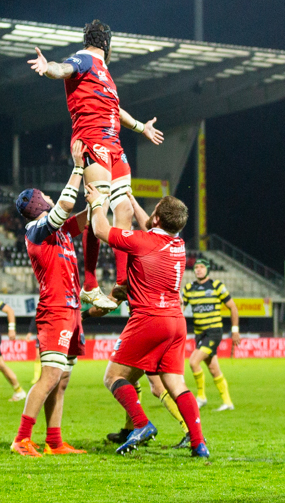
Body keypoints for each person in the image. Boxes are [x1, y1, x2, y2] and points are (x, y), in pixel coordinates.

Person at [28, 20, 165, 311]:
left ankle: (121, 281)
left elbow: (114, 108)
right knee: (97, 208)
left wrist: (141, 127)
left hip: (114, 145)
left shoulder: (104, 73)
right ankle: (89, 284)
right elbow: (63, 69)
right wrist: (47, 67)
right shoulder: (85, 59)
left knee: (125, 208)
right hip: (92, 139)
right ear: (107, 43)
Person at [86, 186, 209, 458]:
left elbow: (100, 230)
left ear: (157, 218)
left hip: (149, 319)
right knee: (176, 384)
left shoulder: (141, 242)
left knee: (113, 377)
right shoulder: (178, 245)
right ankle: (198, 443)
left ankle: (141, 424)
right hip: (176, 322)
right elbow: (152, 227)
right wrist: (131, 199)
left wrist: (96, 203)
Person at [10, 141, 92, 456]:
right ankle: (21, 439)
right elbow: (67, 207)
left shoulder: (58, 231)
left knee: (62, 379)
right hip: (55, 309)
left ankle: (54, 441)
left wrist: (101, 197)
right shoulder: (36, 229)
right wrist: (78, 167)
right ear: (37, 204)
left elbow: (86, 218)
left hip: (71, 309)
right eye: (44, 195)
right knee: (50, 376)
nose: (49, 195)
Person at [182, 260, 240, 411]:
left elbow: (233, 307)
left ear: (207, 270)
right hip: (199, 334)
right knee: (214, 369)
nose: (198, 270)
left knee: (193, 362)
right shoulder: (189, 288)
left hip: (213, 332)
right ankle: (228, 402)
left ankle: (201, 397)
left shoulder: (216, 286)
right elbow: (180, 308)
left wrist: (234, 330)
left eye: (201, 267)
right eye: (196, 267)